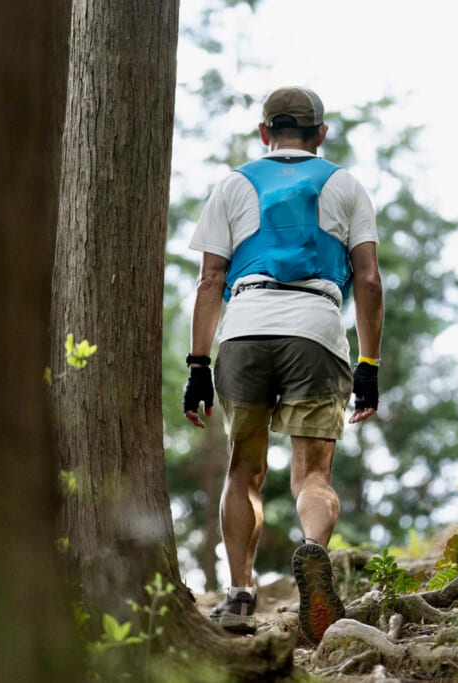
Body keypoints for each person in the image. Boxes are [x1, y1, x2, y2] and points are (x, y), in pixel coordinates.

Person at [182, 86, 383, 643]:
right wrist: (368, 363)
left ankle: (240, 596)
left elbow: (209, 281)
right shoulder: (344, 184)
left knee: (242, 471)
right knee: (312, 475)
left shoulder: (233, 184)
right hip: (316, 330)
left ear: (265, 133)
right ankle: (314, 557)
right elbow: (367, 278)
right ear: (320, 134)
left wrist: (199, 365)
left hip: (244, 327)